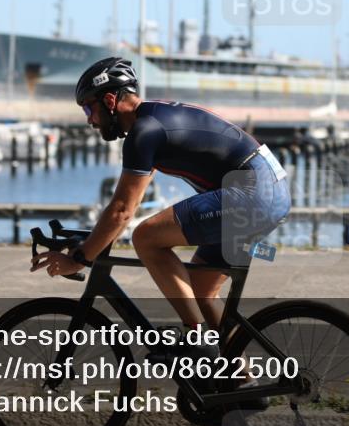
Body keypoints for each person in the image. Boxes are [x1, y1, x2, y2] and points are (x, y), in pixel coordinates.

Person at [31, 56, 291, 340]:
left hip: (255, 192)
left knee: (145, 237)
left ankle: (197, 341)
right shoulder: (153, 120)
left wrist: (80, 259)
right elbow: (128, 201)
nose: (90, 120)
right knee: (200, 292)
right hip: (267, 190)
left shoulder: (145, 132)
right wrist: (92, 241)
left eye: (88, 109)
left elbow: (122, 211)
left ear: (109, 100)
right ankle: (238, 374)